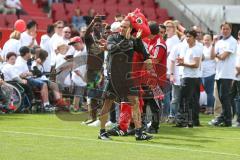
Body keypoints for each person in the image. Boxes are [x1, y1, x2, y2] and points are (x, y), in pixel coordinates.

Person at [98, 18, 153, 141]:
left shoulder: (134, 40)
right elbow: (112, 49)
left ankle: (139, 132)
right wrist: (127, 40)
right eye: (121, 26)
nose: (121, 28)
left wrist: (148, 59)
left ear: (130, 29)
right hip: (114, 78)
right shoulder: (113, 38)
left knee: (135, 103)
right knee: (107, 104)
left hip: (127, 78)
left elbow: (144, 53)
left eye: (124, 27)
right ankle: (101, 131)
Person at [209, 22, 237, 127]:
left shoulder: (232, 41)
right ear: (221, 30)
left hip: (228, 73)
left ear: (230, 30)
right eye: (223, 29)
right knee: (221, 97)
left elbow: (223, 56)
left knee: (224, 97)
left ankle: (227, 119)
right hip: (219, 73)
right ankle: (225, 117)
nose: (225, 31)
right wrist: (213, 44)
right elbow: (212, 56)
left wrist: (217, 55)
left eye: (227, 29)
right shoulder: (219, 42)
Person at [176, 29, 203, 127]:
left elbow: (196, 64)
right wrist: (181, 60)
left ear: (194, 37)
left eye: (189, 36)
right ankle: (193, 121)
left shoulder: (196, 48)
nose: (187, 38)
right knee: (192, 100)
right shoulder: (187, 47)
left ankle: (183, 121)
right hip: (190, 76)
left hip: (190, 77)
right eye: (186, 36)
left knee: (184, 99)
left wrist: (183, 63)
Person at [15, 46, 54, 111]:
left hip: (28, 78)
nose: (31, 54)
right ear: (27, 53)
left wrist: (30, 73)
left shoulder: (22, 60)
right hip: (25, 79)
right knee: (44, 84)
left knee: (44, 83)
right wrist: (29, 73)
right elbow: (21, 75)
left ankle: (46, 104)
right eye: (30, 52)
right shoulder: (20, 62)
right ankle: (46, 105)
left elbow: (29, 72)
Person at [68, 36, 87, 112]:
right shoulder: (77, 53)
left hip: (85, 76)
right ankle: (75, 108)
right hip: (78, 77)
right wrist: (83, 77)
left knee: (86, 94)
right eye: (73, 46)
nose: (74, 47)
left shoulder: (87, 50)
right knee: (78, 94)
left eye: (75, 45)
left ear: (81, 42)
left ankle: (84, 108)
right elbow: (75, 70)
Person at [201, 34, 216, 114]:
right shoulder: (202, 48)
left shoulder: (213, 48)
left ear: (211, 40)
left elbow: (212, 57)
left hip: (210, 73)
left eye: (208, 40)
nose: (206, 41)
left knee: (209, 92)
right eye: (205, 40)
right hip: (202, 73)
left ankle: (210, 108)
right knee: (206, 92)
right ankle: (208, 108)